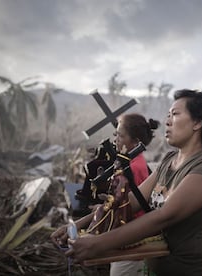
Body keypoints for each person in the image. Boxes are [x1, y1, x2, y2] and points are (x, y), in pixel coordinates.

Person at [51, 89, 202, 276]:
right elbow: (132, 200)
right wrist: (78, 225)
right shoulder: (168, 160)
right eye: (168, 115)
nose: (167, 121)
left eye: (175, 114)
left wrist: (98, 244)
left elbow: (165, 216)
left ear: (197, 122)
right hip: (155, 266)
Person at [53, 113, 160, 276]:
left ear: (136, 142)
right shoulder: (129, 162)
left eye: (120, 135)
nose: (115, 139)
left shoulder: (134, 167)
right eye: (115, 134)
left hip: (131, 235)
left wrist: (108, 206)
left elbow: (127, 205)